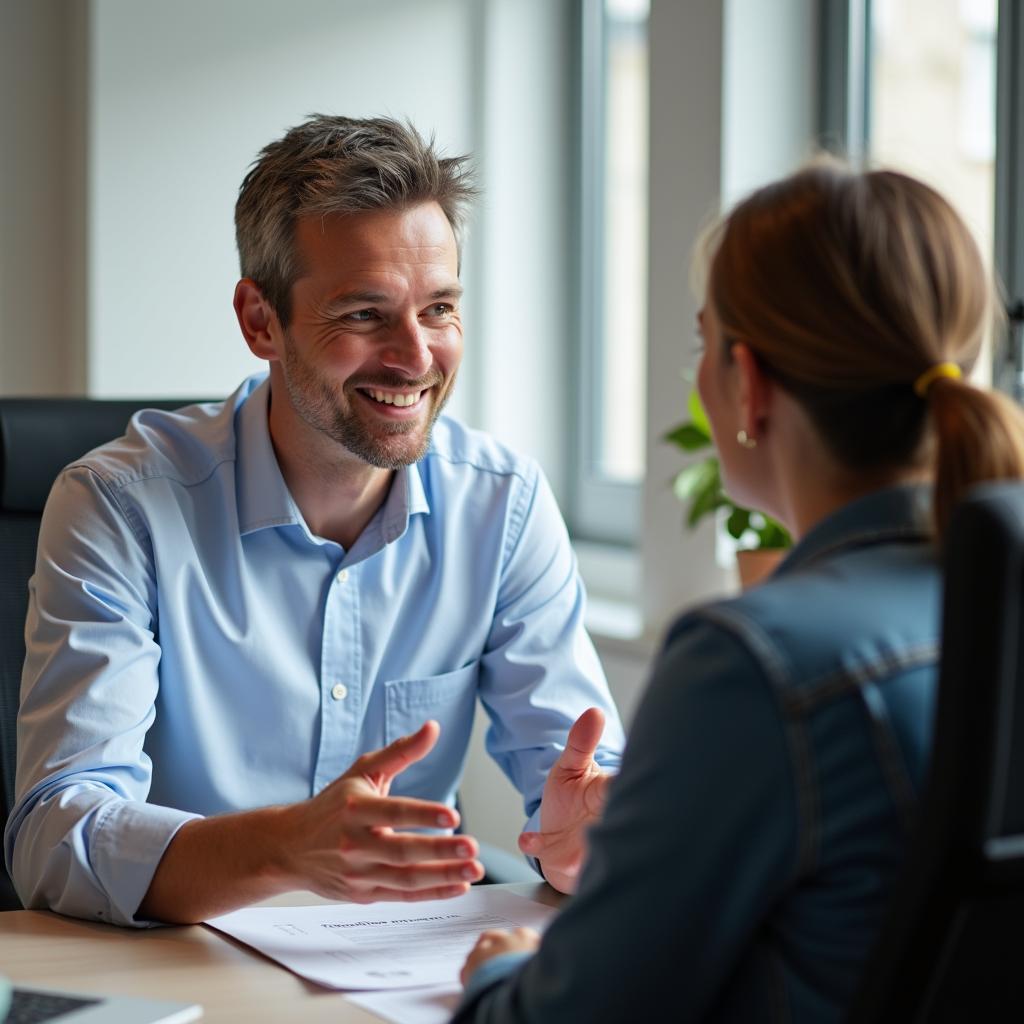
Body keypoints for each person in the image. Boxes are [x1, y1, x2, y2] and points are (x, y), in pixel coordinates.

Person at [4, 115, 624, 927]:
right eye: (365, 314)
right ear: (261, 320)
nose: (415, 357)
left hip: (399, 973)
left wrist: (593, 840)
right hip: (184, 968)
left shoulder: (501, 507)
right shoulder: (121, 506)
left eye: (438, 308)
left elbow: (575, 786)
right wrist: (287, 848)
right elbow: (57, 835)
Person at [454, 162, 1024, 1022]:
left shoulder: (756, 664)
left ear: (748, 385)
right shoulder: (989, 608)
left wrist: (501, 975)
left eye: (702, 345)